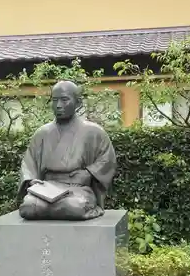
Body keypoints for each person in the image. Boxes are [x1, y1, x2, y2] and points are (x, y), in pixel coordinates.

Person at [17, 80, 117, 220]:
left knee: (74, 207)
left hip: (77, 188)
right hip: (46, 188)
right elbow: (29, 163)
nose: (58, 106)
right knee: (28, 207)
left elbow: (107, 159)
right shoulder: (42, 133)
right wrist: (32, 181)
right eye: (55, 100)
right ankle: (51, 207)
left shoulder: (94, 132)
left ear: (78, 103)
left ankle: (55, 208)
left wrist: (89, 173)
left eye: (64, 100)